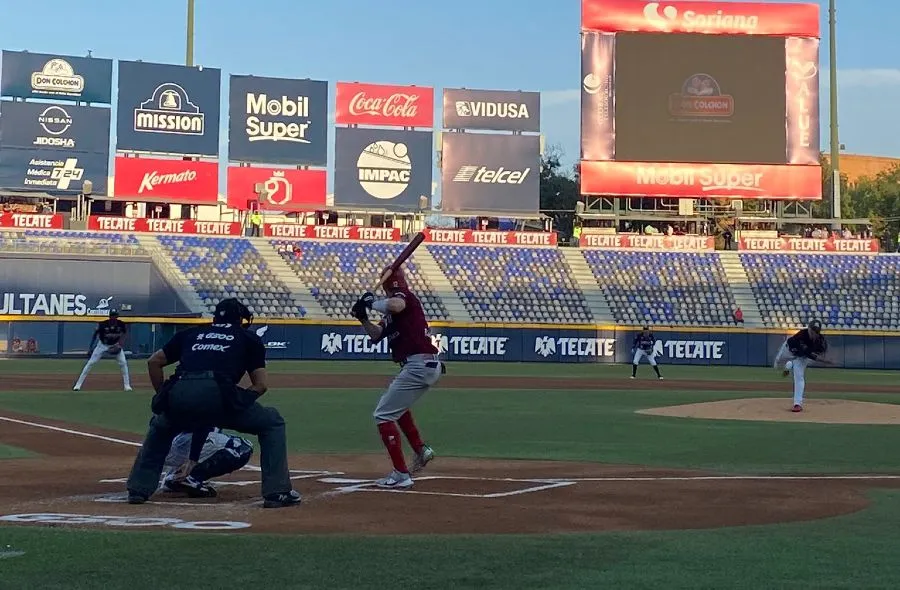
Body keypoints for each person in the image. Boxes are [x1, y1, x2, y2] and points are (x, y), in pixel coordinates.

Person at [125, 298, 300, 508]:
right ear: (242, 319)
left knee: (160, 426)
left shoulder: (191, 333)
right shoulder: (248, 338)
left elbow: (154, 361)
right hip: (218, 392)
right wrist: (238, 400)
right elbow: (260, 385)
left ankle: (138, 489)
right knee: (272, 423)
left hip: (179, 389)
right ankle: (277, 492)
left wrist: (164, 395)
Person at [350, 265, 444, 489]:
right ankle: (421, 450)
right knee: (396, 408)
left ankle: (401, 474)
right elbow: (376, 335)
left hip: (418, 363)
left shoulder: (404, 298)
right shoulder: (390, 313)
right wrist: (363, 317)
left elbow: (396, 304)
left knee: (383, 414)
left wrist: (370, 303)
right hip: (418, 364)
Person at [160, 428, 253, 498]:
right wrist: (193, 459)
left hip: (160, 446)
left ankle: (174, 475)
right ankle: (191, 478)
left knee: (210, 432)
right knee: (242, 447)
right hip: (182, 444)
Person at [773, 320, 833, 412]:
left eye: (816, 331)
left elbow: (821, 353)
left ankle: (797, 404)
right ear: (808, 328)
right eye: (812, 330)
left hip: (801, 357)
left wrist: (827, 359)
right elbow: (810, 354)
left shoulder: (820, 340)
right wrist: (825, 361)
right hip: (788, 350)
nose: (814, 333)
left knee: (799, 376)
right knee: (777, 365)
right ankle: (788, 367)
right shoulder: (802, 335)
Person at [73, 309, 131, 392]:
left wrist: (120, 344)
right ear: (109, 316)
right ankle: (78, 385)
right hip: (102, 345)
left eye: (115, 316)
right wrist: (91, 348)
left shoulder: (121, 324)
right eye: (112, 316)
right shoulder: (102, 324)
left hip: (115, 345)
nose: (113, 318)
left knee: (123, 363)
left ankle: (127, 386)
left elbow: (125, 334)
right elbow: (95, 334)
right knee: (90, 363)